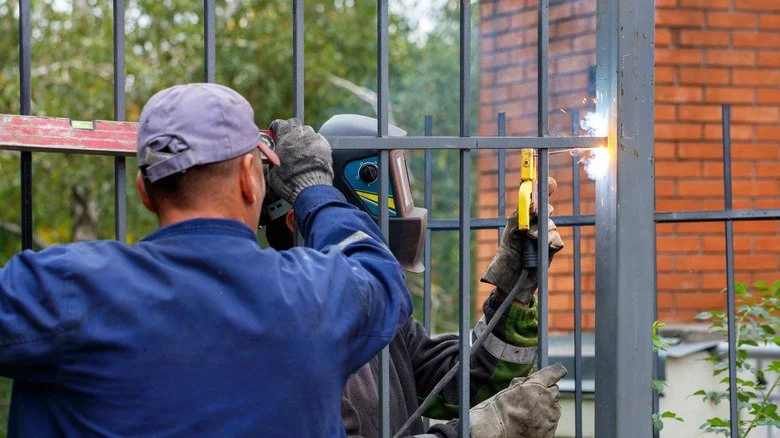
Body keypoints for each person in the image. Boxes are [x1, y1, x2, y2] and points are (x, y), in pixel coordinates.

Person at [0, 85, 411, 437]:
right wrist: (313, 189)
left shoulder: (61, 288)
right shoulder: (314, 296)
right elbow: (379, 276)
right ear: (251, 178)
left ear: (145, 192)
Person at [263, 114, 566, 438]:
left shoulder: (378, 312)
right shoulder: (291, 328)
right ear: (298, 223)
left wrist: (514, 288)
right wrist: (481, 431)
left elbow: (467, 380)